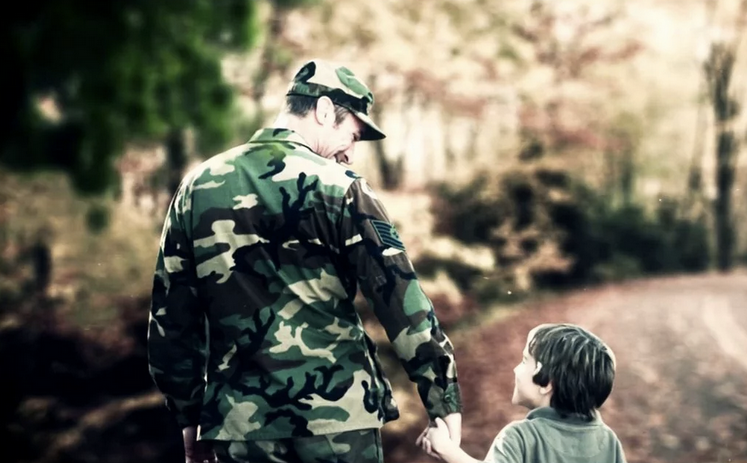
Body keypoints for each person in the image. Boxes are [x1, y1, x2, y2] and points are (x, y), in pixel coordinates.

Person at [147, 58, 463, 463]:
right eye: (353, 135)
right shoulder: (342, 189)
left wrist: (189, 419)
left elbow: (171, 318)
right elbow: (403, 304)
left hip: (240, 428)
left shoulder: (198, 186)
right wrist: (444, 400)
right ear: (325, 110)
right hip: (338, 426)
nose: (350, 152)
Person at [419, 323, 625, 463]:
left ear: (546, 383)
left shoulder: (520, 437)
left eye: (525, 361)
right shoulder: (608, 440)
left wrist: (446, 448)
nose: (515, 369)